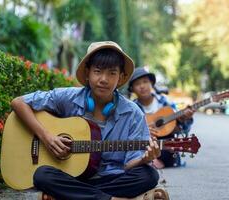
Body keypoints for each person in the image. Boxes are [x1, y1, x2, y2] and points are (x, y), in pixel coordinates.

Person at [11, 42, 168, 200]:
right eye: (98, 71)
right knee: (42, 175)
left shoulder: (133, 113)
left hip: (111, 178)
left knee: (149, 175)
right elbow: (18, 102)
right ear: (87, 73)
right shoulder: (68, 97)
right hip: (72, 176)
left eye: (112, 73)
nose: (104, 79)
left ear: (121, 78)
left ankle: (70, 196)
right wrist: (46, 137)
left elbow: (129, 165)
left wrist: (145, 159)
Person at [128, 67, 195, 169]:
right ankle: (151, 161)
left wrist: (185, 119)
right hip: (142, 145)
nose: (142, 86)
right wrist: (143, 132)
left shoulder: (165, 102)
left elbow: (182, 130)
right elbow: (128, 133)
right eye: (137, 84)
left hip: (163, 146)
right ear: (132, 89)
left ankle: (155, 161)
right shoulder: (131, 108)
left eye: (145, 82)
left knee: (171, 145)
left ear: (151, 84)